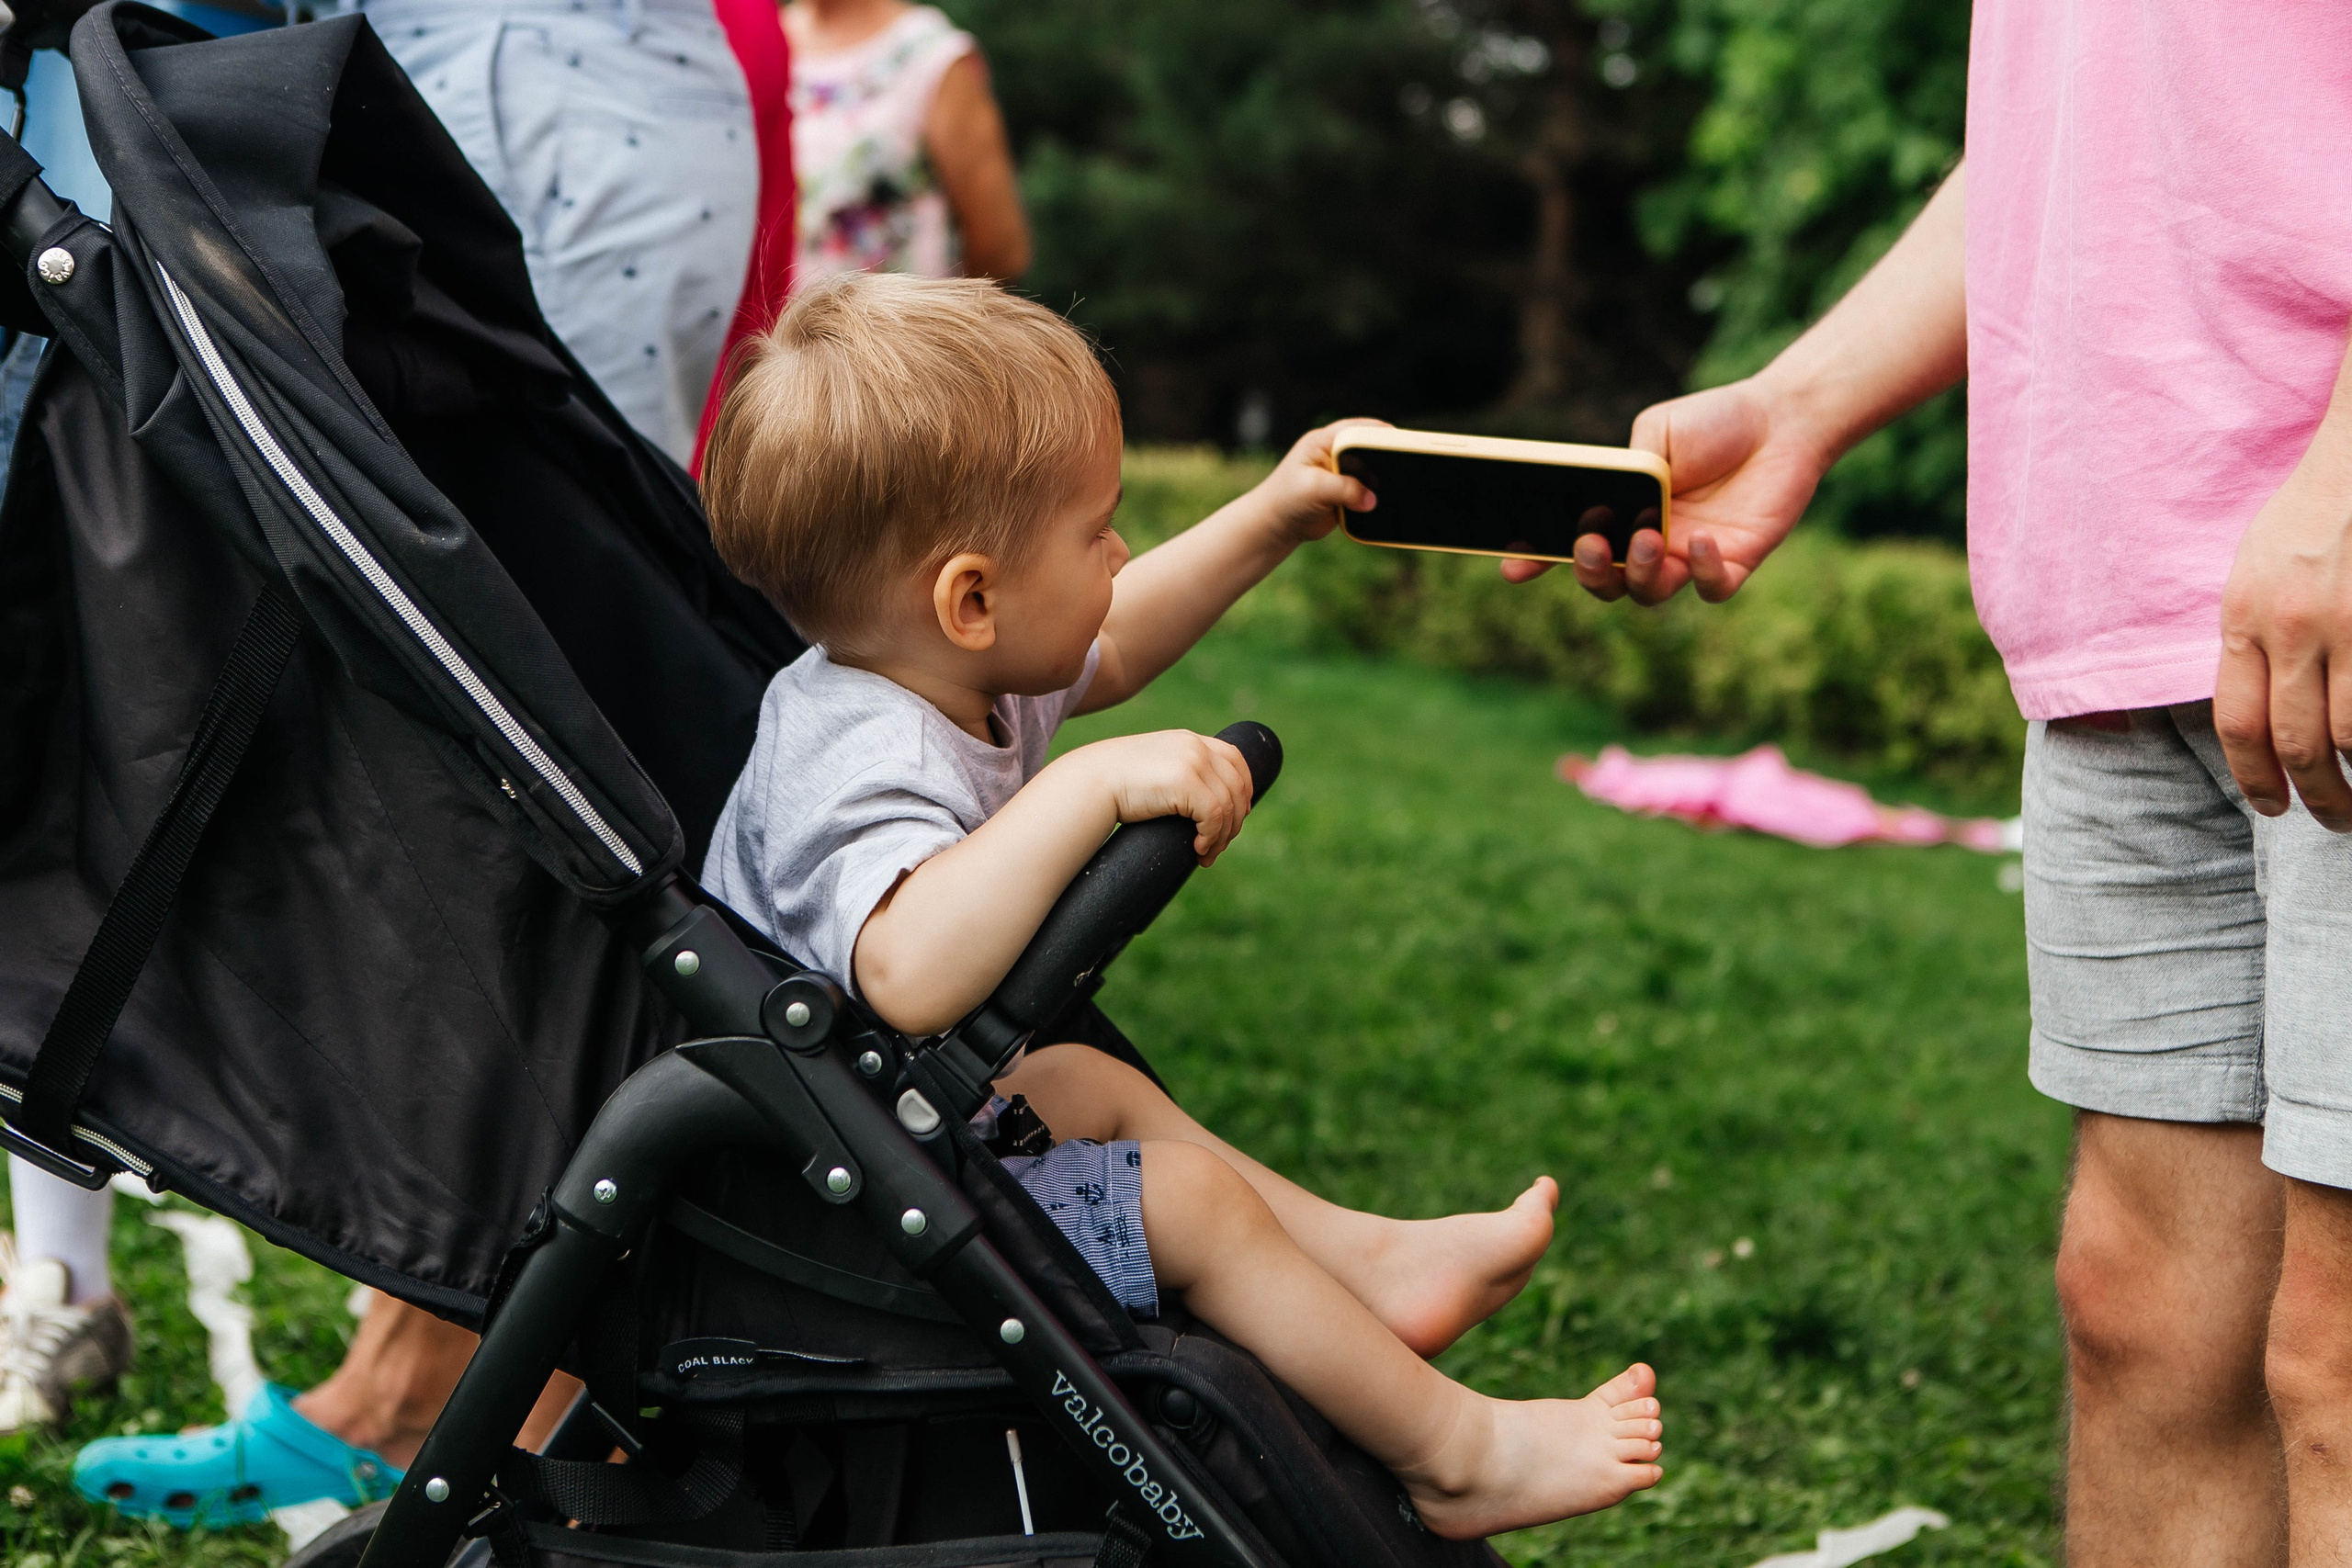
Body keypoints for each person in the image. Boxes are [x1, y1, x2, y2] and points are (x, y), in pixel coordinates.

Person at [1509, 7, 2352, 1560]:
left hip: (2334, 584)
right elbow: (2088, 132)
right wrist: (1804, 398)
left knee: (2341, 1355)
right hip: (2127, 605)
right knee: (2144, 1315)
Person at [696, 271, 1666, 1537]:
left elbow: (1117, 637)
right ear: (973, 597)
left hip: (882, 1132)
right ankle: (1459, 1450)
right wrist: (1091, 785)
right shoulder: (857, 749)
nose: (1116, 551)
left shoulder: (948, 663)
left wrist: (1271, 517)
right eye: (1096, 528)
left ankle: (1372, 1264)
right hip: (834, 1214)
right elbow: (905, 968)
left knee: (1095, 1089)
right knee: (1190, 1207)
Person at [36, 0, 784, 1519]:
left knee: (537, 706)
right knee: (490, 692)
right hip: (421, 66)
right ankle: (481, 1355)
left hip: (557, 83)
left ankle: (500, 1373)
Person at [783, 0, 1028, 289]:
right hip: (777, 329)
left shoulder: (931, 54)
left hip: (896, 327)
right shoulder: (757, 44)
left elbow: (1000, 249)